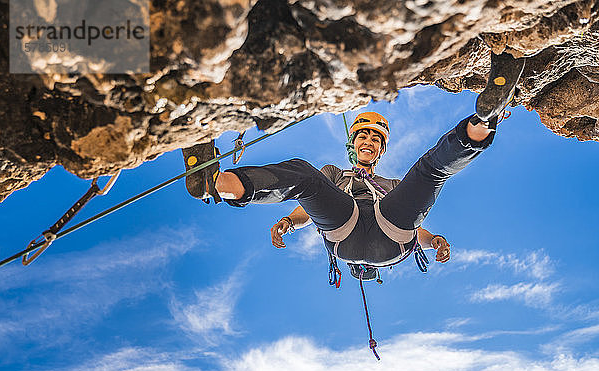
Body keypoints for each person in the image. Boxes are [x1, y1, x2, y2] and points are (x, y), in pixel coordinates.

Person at [181, 51, 525, 280]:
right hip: (349, 229)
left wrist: (434, 241)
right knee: (305, 175)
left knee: (427, 171)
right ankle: (215, 182)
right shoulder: (334, 175)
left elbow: (413, 223)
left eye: (375, 140)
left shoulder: (389, 187)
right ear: (354, 144)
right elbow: (312, 208)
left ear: (379, 150)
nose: (369, 142)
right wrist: (287, 222)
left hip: (380, 234)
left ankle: (484, 119)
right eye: (363, 137)